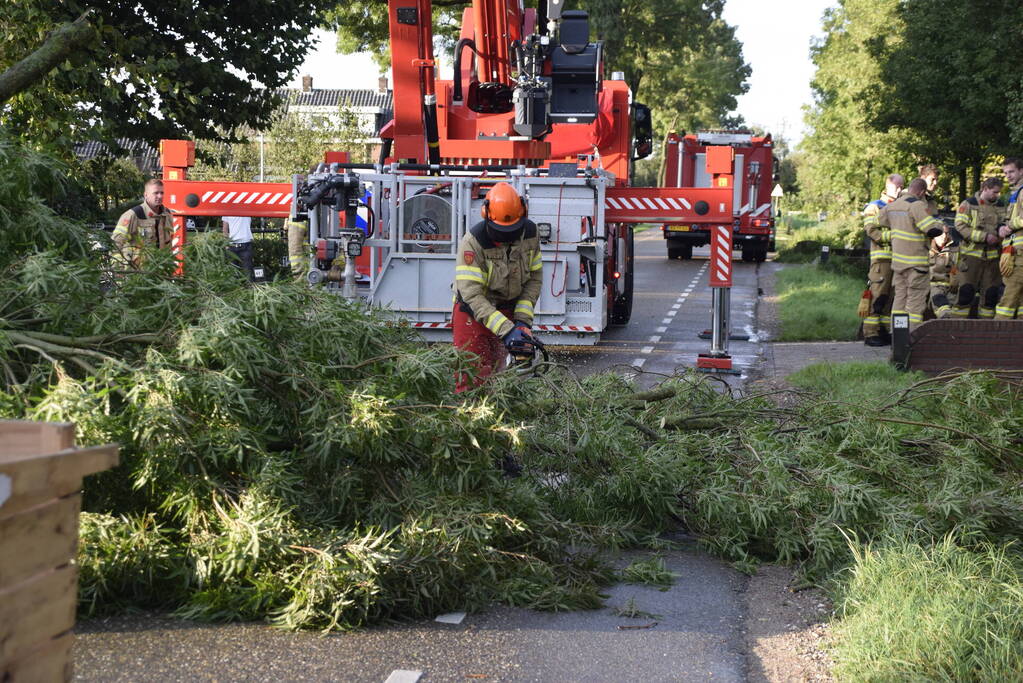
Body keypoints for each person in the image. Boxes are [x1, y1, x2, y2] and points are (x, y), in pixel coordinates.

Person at [452, 182, 543, 392]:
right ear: (486, 215)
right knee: (471, 376)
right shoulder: (473, 243)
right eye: (502, 232)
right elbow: (472, 295)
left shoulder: (530, 234)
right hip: (473, 314)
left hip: (508, 310)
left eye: (513, 231)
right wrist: (506, 329)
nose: (507, 237)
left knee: (498, 374)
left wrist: (521, 322)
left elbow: (534, 278)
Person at [878, 177, 946, 332]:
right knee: (915, 302)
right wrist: (940, 226)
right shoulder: (917, 205)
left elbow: (880, 221)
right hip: (916, 265)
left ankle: (897, 335)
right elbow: (931, 229)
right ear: (922, 192)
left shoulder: (892, 206)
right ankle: (911, 337)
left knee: (900, 301)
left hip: (898, 264)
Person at [951, 177, 1005, 318]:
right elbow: (960, 227)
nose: (997, 195)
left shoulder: (1001, 206)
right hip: (970, 257)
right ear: (985, 188)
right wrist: (984, 237)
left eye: (999, 193)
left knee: (990, 296)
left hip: (993, 259)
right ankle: (957, 328)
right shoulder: (969, 204)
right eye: (994, 192)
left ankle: (985, 330)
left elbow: (1005, 224)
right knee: (966, 293)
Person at [861, 173, 904, 345]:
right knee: (878, 297)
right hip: (881, 259)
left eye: (902, 186)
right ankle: (870, 333)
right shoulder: (874, 206)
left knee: (890, 298)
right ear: (887, 187)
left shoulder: (902, 206)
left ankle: (884, 331)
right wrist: (895, 236)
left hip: (898, 259)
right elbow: (872, 231)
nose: (899, 190)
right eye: (896, 187)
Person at [112, 178, 173, 267]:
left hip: (160, 270)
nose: (160, 196)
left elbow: (168, 244)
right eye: (156, 193)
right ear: (146, 195)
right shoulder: (133, 215)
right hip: (137, 272)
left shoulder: (167, 214)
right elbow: (116, 243)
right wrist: (117, 268)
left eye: (162, 193)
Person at [994, 158, 1023, 319]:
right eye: (1005, 173)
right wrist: (1002, 228)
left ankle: (996, 339)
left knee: (1008, 299)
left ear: (1021, 171)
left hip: (1020, 256)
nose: (1008, 176)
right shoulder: (1017, 193)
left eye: (1011, 171)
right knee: (1020, 301)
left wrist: (1009, 227)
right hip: (1015, 253)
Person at [222, 216, 255, 280]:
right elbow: (224, 229)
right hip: (232, 246)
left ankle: (248, 287)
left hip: (246, 244)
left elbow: (224, 229)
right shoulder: (226, 209)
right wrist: (226, 244)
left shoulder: (247, 207)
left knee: (247, 274)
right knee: (232, 275)